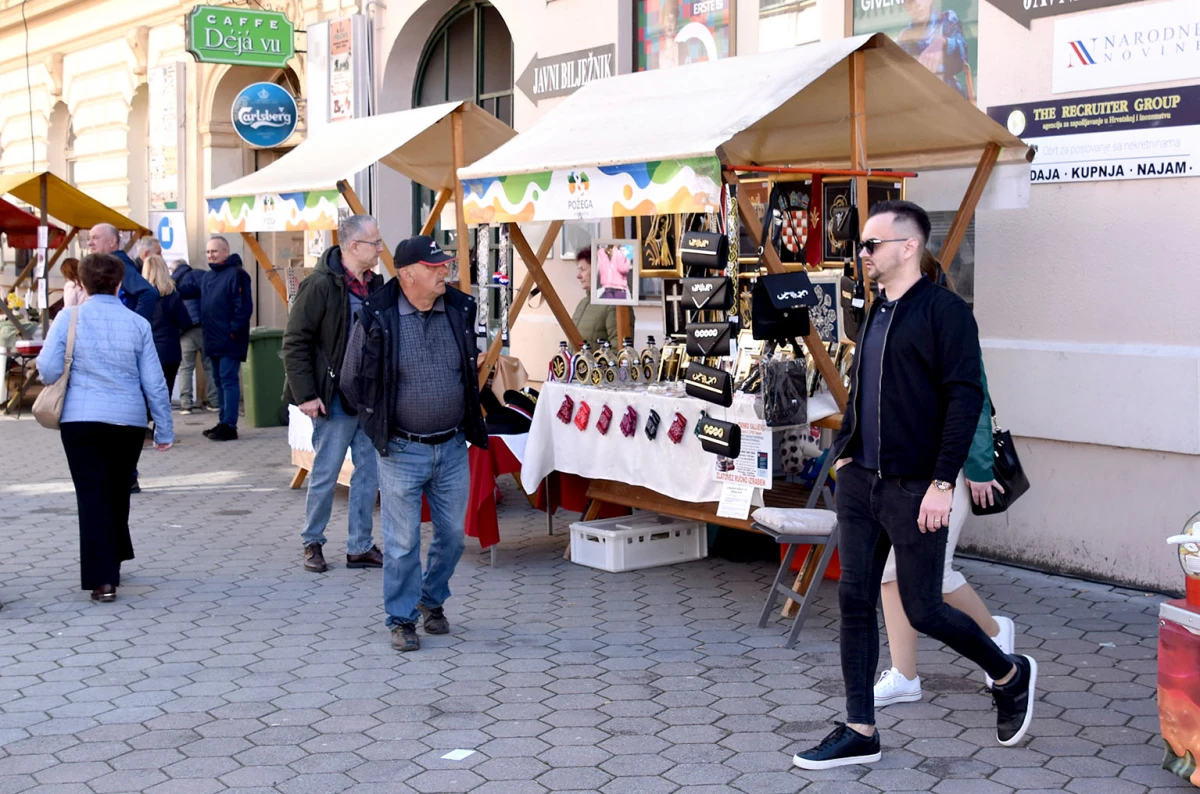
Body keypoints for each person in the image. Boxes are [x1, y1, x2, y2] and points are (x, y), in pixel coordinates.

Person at [792, 201, 1036, 771]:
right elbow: (863, 389)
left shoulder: (945, 313)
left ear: (908, 247)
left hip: (916, 488)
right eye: (863, 245)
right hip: (862, 483)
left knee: (924, 607)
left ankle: (1008, 671)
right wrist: (844, 455)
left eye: (872, 244)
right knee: (854, 599)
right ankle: (860, 729)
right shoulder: (876, 311)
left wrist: (943, 483)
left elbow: (965, 397)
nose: (863, 253)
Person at [873, 250, 1015, 708]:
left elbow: (973, 401)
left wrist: (977, 471)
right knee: (896, 575)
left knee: (923, 577)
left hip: (945, 476)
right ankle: (906, 673)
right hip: (908, 476)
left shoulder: (948, 327)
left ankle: (992, 638)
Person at [340, 235, 487, 653]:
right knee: (402, 543)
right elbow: (352, 380)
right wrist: (377, 426)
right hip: (402, 450)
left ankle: (431, 598)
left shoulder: (459, 309)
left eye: (444, 264)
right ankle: (402, 620)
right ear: (407, 274)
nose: (444, 271)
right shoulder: (378, 315)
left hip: (453, 447)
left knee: (454, 536)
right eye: (433, 266)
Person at [36, 253, 173, 603]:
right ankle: (114, 557)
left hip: (80, 420)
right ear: (118, 283)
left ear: (81, 282)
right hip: (128, 420)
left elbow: (49, 370)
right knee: (117, 490)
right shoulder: (137, 323)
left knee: (92, 496)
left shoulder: (68, 318)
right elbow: (154, 381)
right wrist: (164, 429)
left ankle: (103, 579)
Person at [283, 214, 384, 574]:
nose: (380, 248)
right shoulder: (321, 285)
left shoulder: (376, 285)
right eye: (375, 242)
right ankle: (313, 541)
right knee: (325, 472)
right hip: (332, 397)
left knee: (368, 474)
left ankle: (360, 546)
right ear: (354, 246)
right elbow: (295, 342)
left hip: (368, 398)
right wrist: (306, 394)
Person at [180, 236, 253, 441]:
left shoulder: (237, 275)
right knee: (219, 380)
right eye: (208, 252)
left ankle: (230, 424)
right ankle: (223, 421)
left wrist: (232, 330)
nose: (211, 255)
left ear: (226, 252)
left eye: (215, 251)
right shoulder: (209, 277)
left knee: (228, 379)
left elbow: (244, 307)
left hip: (229, 338)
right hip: (212, 337)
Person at [896, 0, 971, 101]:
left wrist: (943, 42)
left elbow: (963, 53)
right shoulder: (904, 38)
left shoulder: (947, 19)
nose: (917, 4)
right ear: (906, 7)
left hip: (951, 101)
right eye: (911, 1)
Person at [171, 259, 219, 415]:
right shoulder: (201, 276)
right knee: (210, 366)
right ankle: (214, 402)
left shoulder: (173, 282)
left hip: (186, 330)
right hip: (205, 329)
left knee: (185, 368)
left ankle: (186, 405)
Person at [141, 253, 192, 399]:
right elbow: (185, 322)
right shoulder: (173, 296)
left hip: (147, 351)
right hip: (169, 351)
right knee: (164, 397)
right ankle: (160, 422)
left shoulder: (141, 298)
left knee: (147, 396)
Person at [86, 223, 157, 321]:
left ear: (112, 241)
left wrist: (135, 323)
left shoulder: (118, 265)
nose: (89, 243)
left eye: (95, 238)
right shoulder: (108, 264)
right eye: (89, 238)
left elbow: (149, 292)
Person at [570, 247, 626, 350]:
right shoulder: (583, 304)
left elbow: (619, 349)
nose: (578, 276)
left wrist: (594, 365)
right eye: (579, 270)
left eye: (583, 270)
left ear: (598, 270)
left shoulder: (613, 304)